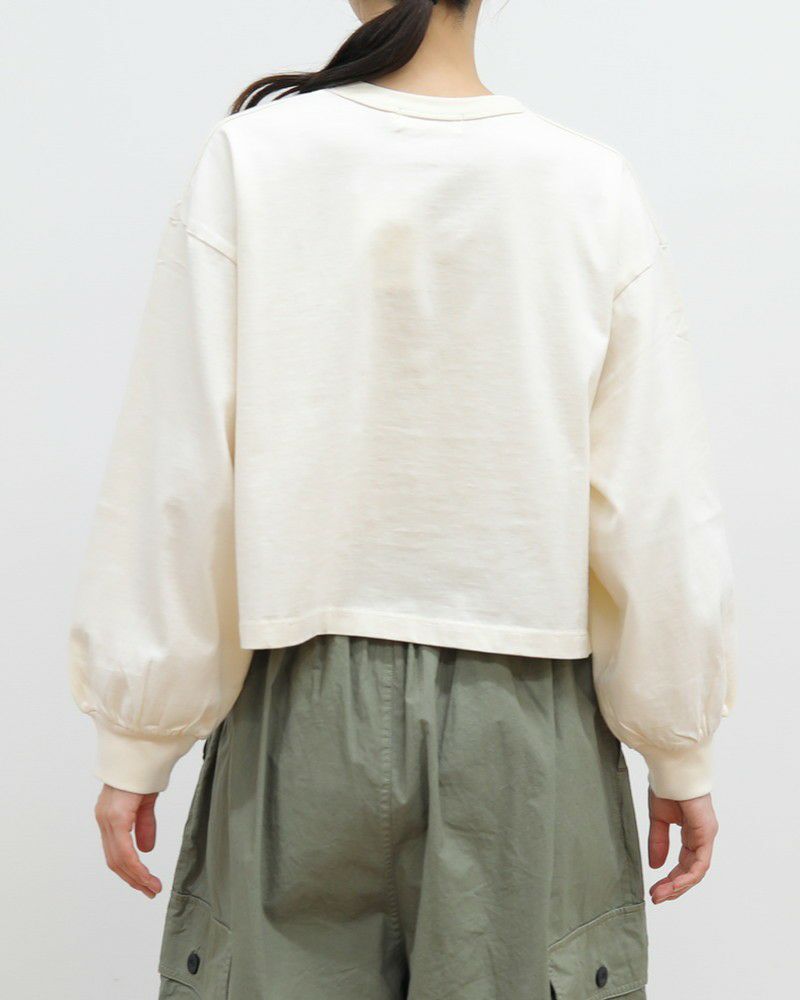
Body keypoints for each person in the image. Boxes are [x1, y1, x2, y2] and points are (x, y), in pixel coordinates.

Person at [69, 1, 736, 997]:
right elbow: (654, 503)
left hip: (298, 715)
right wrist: (678, 749)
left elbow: (179, 469)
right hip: (525, 726)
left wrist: (139, 736)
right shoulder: (587, 185)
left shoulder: (253, 160)